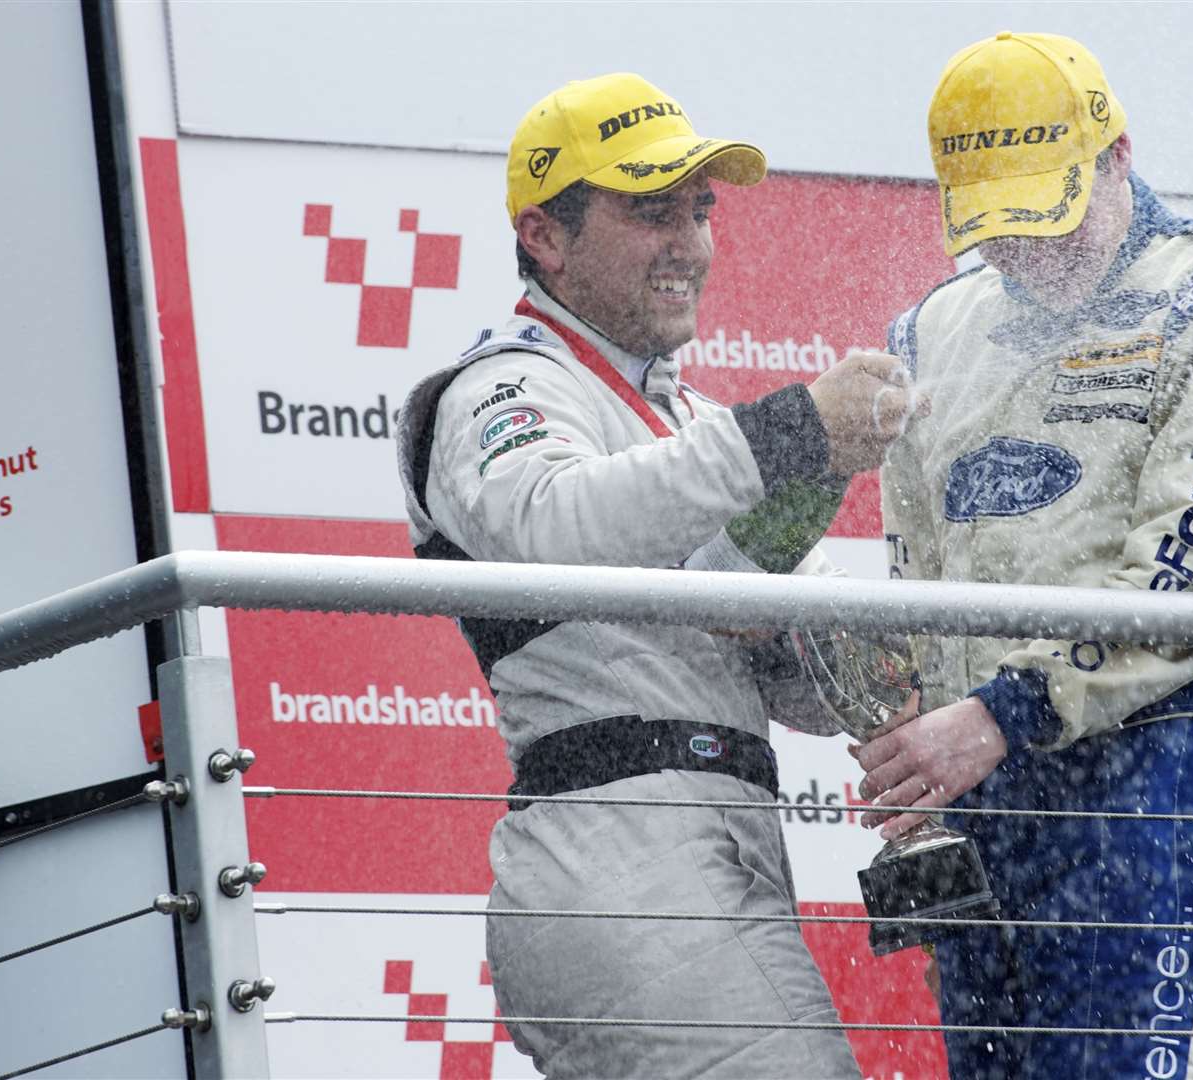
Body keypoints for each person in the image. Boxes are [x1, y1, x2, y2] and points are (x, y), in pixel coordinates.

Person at [393, 72, 918, 1078]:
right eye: (649, 211)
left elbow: (809, 695)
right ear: (543, 235)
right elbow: (557, 531)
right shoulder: (501, 386)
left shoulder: (694, 424)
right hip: (620, 850)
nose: (687, 242)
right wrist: (790, 433)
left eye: (699, 210)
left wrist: (847, 657)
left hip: (699, 849)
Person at [853, 32, 1193, 1079]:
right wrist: (915, 745)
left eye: (1048, 213)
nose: (1029, 251)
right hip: (979, 803)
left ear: (1116, 152)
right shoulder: (932, 330)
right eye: (997, 227)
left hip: (1145, 785)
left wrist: (1002, 713)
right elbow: (918, 581)